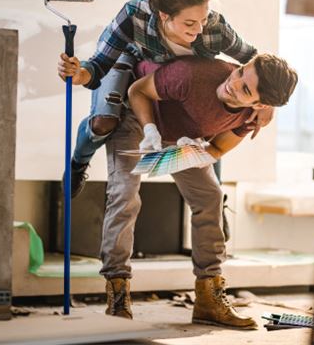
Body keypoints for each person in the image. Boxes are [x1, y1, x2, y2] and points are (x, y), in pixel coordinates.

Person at [98, 53, 298, 328]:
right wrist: (151, 132)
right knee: (125, 193)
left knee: (210, 196)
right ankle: (118, 296)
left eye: (245, 89)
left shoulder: (247, 118)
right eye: (241, 72)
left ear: (259, 104)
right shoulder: (192, 75)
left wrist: (174, 157)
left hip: (180, 135)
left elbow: (215, 149)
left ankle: (208, 299)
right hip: (138, 116)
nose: (233, 83)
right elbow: (137, 90)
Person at [57, 0, 273, 198]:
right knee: (103, 122)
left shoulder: (215, 29)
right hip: (131, 62)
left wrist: (267, 102)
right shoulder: (133, 14)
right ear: (164, 15)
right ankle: (78, 163)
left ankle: (217, 199)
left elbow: (255, 59)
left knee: (207, 126)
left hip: (178, 79)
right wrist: (79, 74)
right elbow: (98, 65)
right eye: (190, 23)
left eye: (203, 19)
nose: (199, 29)